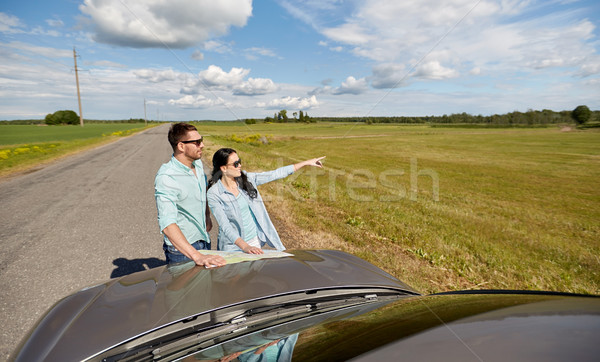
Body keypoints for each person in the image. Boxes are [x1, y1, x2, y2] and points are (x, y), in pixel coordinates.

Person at [207, 147, 324, 254]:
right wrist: (245, 247)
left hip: (254, 242)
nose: (240, 166)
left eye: (240, 161)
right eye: (236, 164)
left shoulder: (246, 179)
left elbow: (274, 174)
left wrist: (306, 163)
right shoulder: (214, 194)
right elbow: (225, 226)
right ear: (224, 168)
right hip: (231, 247)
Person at [154, 122, 226, 267]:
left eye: (202, 140)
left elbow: (202, 190)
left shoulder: (197, 164)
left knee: (204, 287)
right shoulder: (167, 177)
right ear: (181, 146)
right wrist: (196, 256)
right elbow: (167, 225)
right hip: (182, 251)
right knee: (185, 290)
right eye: (197, 142)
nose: (202, 145)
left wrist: (206, 215)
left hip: (204, 238)